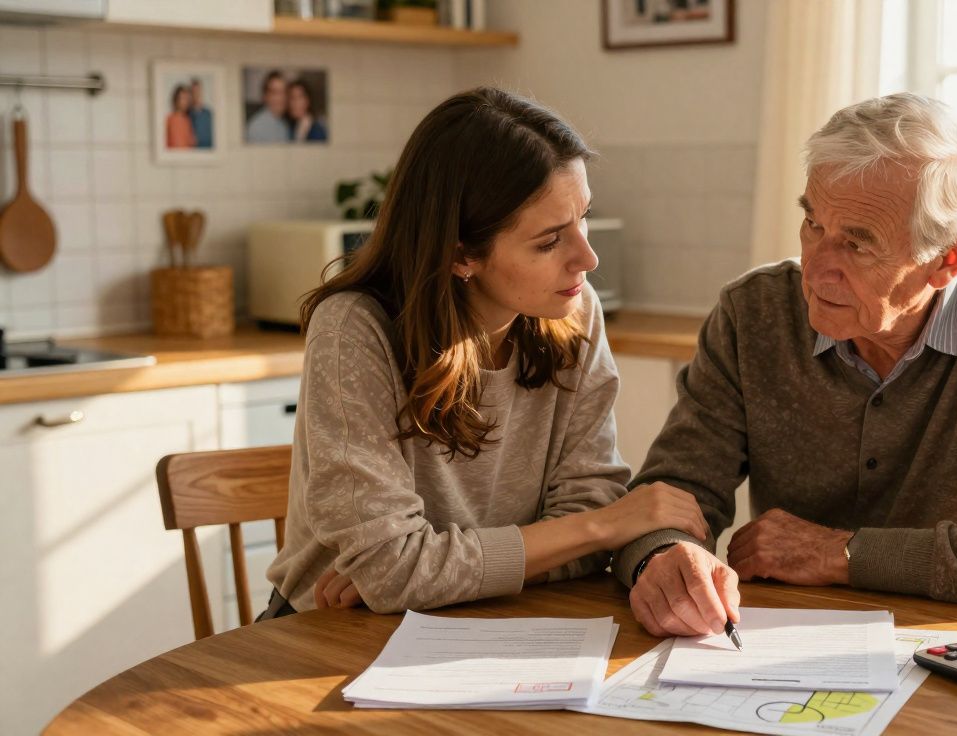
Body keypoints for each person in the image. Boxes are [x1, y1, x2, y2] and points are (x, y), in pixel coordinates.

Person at [617, 92, 957, 638]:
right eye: (812, 223)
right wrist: (663, 555)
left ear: (948, 259)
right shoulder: (753, 312)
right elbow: (666, 496)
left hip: (949, 644)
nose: (817, 269)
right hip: (775, 643)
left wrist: (839, 553)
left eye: (857, 244)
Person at [261, 87, 709, 618]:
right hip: (329, 632)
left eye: (584, 217)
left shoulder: (574, 310)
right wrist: (599, 528)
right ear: (461, 256)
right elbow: (393, 571)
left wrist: (427, 574)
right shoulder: (355, 329)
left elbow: (585, 523)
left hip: (489, 617)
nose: (587, 258)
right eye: (549, 241)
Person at [246, 71, 290, 143]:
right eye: (275, 93)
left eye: (284, 92)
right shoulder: (256, 128)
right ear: (265, 96)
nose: (281, 97)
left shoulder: (285, 123)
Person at [164, 84, 196, 149]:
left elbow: (192, 142)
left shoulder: (188, 120)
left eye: (187, 99)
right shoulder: (170, 119)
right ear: (176, 99)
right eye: (183, 98)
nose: (185, 102)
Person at [188, 78, 214, 149]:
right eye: (193, 92)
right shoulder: (187, 114)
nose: (196, 94)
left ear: (201, 92)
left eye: (198, 91)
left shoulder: (209, 114)